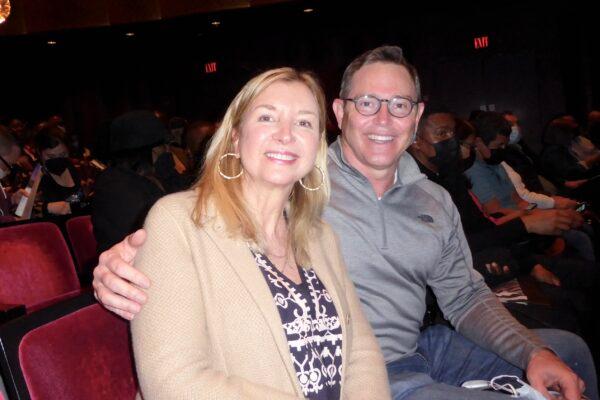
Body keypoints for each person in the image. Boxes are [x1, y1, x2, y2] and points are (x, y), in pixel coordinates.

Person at [93, 47, 596, 400]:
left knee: (567, 353)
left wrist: (532, 350)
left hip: (408, 352)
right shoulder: (297, 185)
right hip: (339, 376)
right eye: (366, 103)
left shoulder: (400, 206)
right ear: (341, 112)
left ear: (416, 116)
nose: (382, 118)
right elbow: (197, 237)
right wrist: (118, 263)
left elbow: (458, 298)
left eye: (398, 105)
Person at [117, 67, 390, 399]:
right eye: (267, 118)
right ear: (235, 136)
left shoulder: (321, 236)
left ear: (317, 145)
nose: (286, 134)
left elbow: (361, 351)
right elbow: (174, 381)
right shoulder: (177, 222)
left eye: (304, 122)